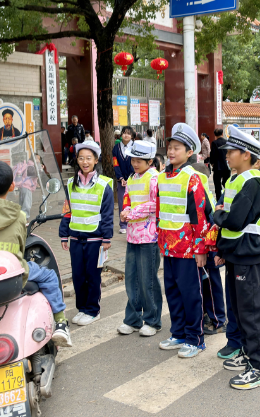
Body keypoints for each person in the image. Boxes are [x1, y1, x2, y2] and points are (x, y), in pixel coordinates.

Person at [0, 161, 71, 374]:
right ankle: (61, 322)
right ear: (12, 187)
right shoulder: (19, 216)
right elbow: (20, 247)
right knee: (47, 276)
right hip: (13, 277)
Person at [212, 126, 260, 390]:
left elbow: (235, 221)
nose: (227, 155)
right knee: (239, 309)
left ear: (246, 154)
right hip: (238, 253)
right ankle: (249, 355)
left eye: (232, 151)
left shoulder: (253, 182)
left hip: (249, 255)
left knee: (251, 312)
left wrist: (216, 214)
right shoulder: (239, 179)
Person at [156, 123, 213, 358]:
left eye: (177, 148)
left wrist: (201, 249)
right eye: (169, 147)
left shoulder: (192, 179)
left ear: (189, 153)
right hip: (168, 247)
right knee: (172, 292)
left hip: (189, 249)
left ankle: (195, 338)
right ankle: (178, 333)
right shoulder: (162, 177)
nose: (171, 152)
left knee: (191, 295)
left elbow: (201, 216)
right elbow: (161, 212)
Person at [60, 141, 114, 326]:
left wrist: (107, 237)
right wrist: (63, 234)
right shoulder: (70, 183)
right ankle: (82, 308)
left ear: (96, 160)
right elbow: (68, 211)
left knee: (93, 275)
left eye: (88, 158)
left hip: (95, 239)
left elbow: (107, 214)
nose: (84, 162)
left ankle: (93, 310)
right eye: (81, 158)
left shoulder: (104, 185)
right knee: (78, 276)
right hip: (75, 238)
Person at [117, 141, 162, 337]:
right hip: (133, 235)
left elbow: (156, 204)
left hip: (149, 237)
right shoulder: (132, 177)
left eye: (139, 160)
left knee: (148, 280)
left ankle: (152, 320)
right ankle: (133, 319)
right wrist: (124, 211)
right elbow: (127, 198)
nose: (134, 163)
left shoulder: (155, 179)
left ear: (150, 161)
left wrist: (132, 212)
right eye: (133, 159)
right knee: (132, 279)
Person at [190, 162, 226, 336]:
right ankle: (208, 315)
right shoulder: (205, 191)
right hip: (203, 246)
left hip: (208, 247)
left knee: (212, 284)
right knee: (206, 283)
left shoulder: (201, 193)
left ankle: (218, 319)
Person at [112, 126, 135, 234]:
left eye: (129, 133)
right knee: (122, 202)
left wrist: (130, 177)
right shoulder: (116, 148)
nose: (126, 135)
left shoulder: (135, 147)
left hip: (134, 179)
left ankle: (133, 222)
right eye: (124, 133)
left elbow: (135, 163)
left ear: (132, 136)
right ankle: (123, 224)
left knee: (135, 200)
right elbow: (115, 164)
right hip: (120, 180)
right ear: (121, 134)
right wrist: (121, 178)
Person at [211, 128, 231, 201]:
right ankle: (227, 198)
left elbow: (212, 154)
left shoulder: (214, 143)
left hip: (217, 167)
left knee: (217, 185)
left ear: (215, 135)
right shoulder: (227, 142)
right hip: (226, 166)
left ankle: (219, 200)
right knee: (227, 184)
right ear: (222, 134)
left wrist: (212, 163)